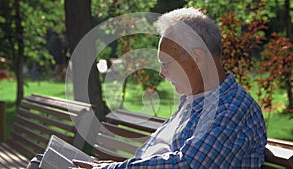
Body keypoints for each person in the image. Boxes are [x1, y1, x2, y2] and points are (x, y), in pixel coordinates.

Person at [28, 7, 267, 169]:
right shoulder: (196, 101)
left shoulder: (232, 108)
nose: (162, 74)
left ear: (197, 58)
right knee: (42, 162)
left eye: (167, 64)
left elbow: (186, 165)